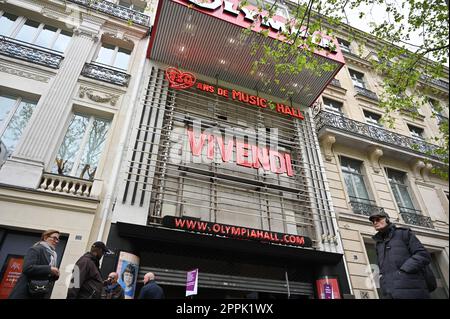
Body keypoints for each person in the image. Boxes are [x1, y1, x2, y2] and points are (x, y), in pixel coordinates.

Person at [369, 211, 431, 299]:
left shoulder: (403, 233)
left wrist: (403, 271)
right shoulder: (378, 244)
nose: (375, 222)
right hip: (390, 293)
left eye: (378, 219)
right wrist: (382, 280)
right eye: (373, 221)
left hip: (412, 289)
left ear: (386, 219)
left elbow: (423, 255)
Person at [9, 230, 61, 299]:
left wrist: (55, 275)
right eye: (54, 238)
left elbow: (47, 276)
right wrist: (49, 269)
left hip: (40, 292)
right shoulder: (36, 249)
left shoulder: (53, 255)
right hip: (26, 293)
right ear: (45, 238)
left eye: (58, 239)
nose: (56, 241)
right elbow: (27, 268)